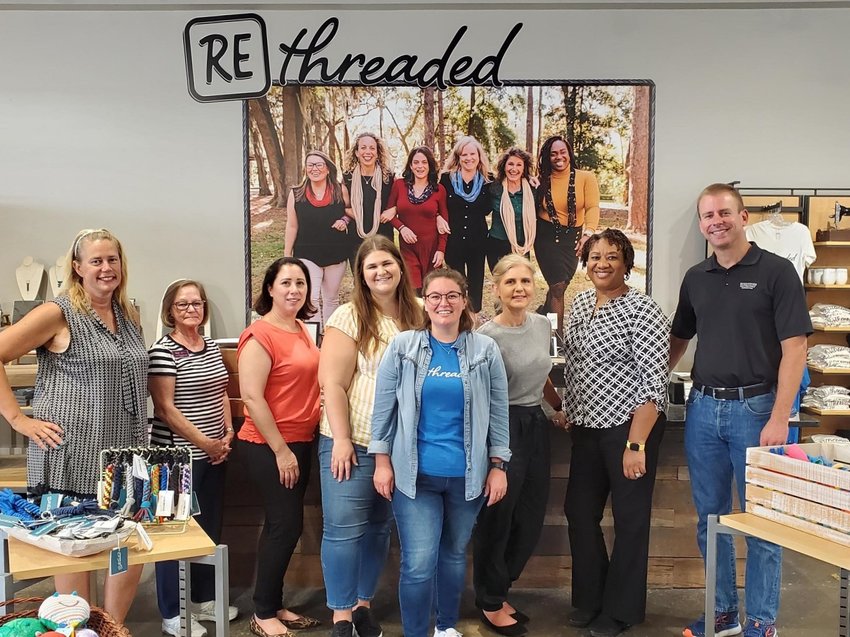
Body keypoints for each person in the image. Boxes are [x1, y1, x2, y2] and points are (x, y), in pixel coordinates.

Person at [671, 184, 810, 637]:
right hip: (704, 410)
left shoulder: (777, 272)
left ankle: (762, 621)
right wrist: (648, 384)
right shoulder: (696, 277)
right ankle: (724, 612)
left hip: (758, 410)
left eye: (724, 213)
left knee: (762, 520)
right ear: (701, 223)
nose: (716, 221)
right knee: (710, 519)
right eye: (707, 215)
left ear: (743, 215)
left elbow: (796, 349)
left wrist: (779, 416)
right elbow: (678, 339)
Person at [0, 228, 147, 623]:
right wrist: (18, 419)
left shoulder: (128, 315)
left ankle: (111, 629)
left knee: (128, 554)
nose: (105, 268)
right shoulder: (58, 312)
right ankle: (80, 630)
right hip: (71, 455)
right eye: (96, 260)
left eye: (112, 259)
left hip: (123, 459)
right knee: (75, 560)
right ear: (78, 267)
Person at [368, 268, 511, 637]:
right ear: (425, 301)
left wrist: (498, 464)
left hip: (468, 476)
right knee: (418, 562)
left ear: (464, 301)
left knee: (452, 557)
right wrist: (381, 461)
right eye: (435, 296)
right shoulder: (403, 348)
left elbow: (498, 411)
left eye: (451, 295)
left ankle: (446, 627)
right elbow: (383, 409)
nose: (443, 303)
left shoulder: (485, 350)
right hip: (415, 477)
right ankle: (417, 632)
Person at [563, 229, 669, 637]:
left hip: (629, 428)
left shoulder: (642, 310)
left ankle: (621, 610)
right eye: (594, 256)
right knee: (579, 512)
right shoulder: (579, 304)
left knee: (630, 520)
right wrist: (567, 409)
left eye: (611, 256)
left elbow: (652, 384)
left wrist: (636, 444)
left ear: (626, 262)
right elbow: (574, 365)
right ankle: (591, 598)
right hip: (587, 428)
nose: (601, 263)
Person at [318, 236, 423, 637]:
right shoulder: (348, 316)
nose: (380, 272)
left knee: (379, 529)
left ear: (400, 266)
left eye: (387, 264)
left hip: (399, 447)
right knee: (344, 530)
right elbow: (333, 384)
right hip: (353, 440)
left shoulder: (416, 315)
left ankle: (363, 606)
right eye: (371, 267)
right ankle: (342, 616)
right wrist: (342, 440)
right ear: (361, 275)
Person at [472, 255, 566, 637]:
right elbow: (480, 394)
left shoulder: (543, 325)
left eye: (525, 281)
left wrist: (557, 407)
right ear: (497, 289)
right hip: (502, 426)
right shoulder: (485, 338)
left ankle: (499, 587)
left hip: (536, 424)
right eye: (510, 282)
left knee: (529, 518)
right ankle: (490, 600)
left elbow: (541, 373)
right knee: (498, 518)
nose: (519, 288)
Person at [237, 257, 323, 637]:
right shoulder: (260, 334)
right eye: (286, 283)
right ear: (269, 288)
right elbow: (252, 399)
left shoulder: (302, 327)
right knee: (283, 526)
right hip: (271, 445)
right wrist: (281, 450)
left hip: (302, 440)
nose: (294, 290)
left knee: (283, 526)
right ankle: (262, 613)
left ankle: (273, 603)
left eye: (300, 283)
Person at [148, 279, 238, 637]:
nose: (191, 310)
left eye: (197, 303)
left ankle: (202, 599)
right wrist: (206, 443)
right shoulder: (162, 351)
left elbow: (220, 393)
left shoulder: (211, 346)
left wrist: (227, 435)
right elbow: (166, 409)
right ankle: (173, 613)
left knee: (207, 528)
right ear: (170, 311)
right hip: (176, 458)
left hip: (215, 454)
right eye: (183, 304)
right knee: (172, 533)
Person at [533, 135, 600, 332]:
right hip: (546, 237)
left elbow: (592, 207)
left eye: (562, 152)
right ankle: (556, 339)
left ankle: (544, 315)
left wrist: (588, 234)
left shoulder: (586, 177)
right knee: (558, 287)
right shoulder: (541, 181)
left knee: (560, 285)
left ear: (569, 153)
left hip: (574, 238)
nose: (558, 157)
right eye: (553, 154)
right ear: (548, 157)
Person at [284, 150, 352, 328]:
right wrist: (287, 255)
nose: (314, 169)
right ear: (306, 169)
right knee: (311, 297)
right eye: (310, 165)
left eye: (319, 164)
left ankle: (329, 336)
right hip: (307, 252)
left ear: (328, 168)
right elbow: (292, 225)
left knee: (331, 298)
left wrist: (344, 220)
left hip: (335, 253)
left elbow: (351, 213)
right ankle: (313, 338)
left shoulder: (339, 190)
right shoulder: (296, 193)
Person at [440, 136, 492, 317]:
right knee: (456, 282)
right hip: (453, 240)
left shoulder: (488, 181)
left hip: (478, 240)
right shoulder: (446, 180)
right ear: (458, 157)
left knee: (476, 282)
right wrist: (439, 217)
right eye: (464, 154)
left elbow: (513, 181)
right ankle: (457, 320)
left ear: (479, 156)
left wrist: (532, 180)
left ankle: (473, 321)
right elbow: (436, 202)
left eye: (473, 154)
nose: (469, 158)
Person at [385, 146, 448, 291]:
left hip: (431, 249)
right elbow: (389, 213)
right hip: (408, 248)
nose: (420, 166)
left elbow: (445, 224)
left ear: (430, 165)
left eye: (424, 162)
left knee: (431, 290)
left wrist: (441, 251)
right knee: (414, 290)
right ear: (411, 166)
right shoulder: (399, 185)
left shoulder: (439, 190)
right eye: (416, 162)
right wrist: (402, 228)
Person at [342, 132, 396, 270]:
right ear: (356, 152)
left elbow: (399, 201)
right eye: (363, 147)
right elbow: (344, 206)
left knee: (384, 276)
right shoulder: (347, 178)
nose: (368, 152)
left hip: (383, 235)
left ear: (378, 153)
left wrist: (394, 210)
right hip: (356, 237)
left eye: (372, 148)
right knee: (360, 279)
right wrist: (357, 215)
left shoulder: (388, 177)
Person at [486, 147, 538, 273]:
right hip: (497, 245)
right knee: (502, 285)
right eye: (510, 164)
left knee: (519, 285)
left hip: (521, 247)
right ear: (504, 166)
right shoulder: (494, 187)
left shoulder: (532, 189)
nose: (514, 169)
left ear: (524, 168)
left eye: (519, 165)